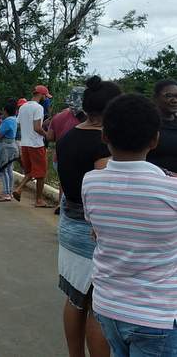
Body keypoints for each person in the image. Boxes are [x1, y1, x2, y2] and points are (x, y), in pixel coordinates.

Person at [83, 94, 177, 357]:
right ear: (155, 140)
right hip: (156, 315)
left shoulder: (90, 182)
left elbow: (96, 233)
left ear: (104, 136)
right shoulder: (171, 190)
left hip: (108, 307)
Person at [56, 76, 121, 357]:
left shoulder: (69, 136)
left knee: (75, 297)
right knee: (97, 304)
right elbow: (103, 195)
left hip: (69, 223)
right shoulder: (102, 143)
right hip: (91, 229)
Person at [47, 86, 86, 209]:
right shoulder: (87, 119)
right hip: (78, 160)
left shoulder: (59, 116)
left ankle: (61, 204)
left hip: (58, 157)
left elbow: (50, 137)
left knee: (63, 183)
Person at [13, 85, 52, 207]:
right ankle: (38, 200)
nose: (46, 99)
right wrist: (47, 135)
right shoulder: (38, 107)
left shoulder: (23, 106)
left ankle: (19, 188)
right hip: (36, 144)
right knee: (41, 173)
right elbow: (37, 128)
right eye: (45, 96)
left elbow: (19, 123)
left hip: (24, 143)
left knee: (30, 171)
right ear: (41, 95)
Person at [147, 79, 177, 173]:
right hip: (155, 180)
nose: (175, 100)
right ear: (155, 98)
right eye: (168, 96)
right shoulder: (146, 124)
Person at [0, 102, 19, 202]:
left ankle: (6, 192)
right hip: (13, 145)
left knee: (2, 169)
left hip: (5, 147)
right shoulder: (14, 119)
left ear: (6, 111)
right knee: (9, 169)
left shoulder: (7, 121)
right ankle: (9, 191)